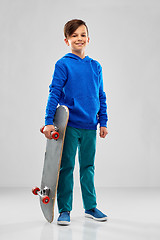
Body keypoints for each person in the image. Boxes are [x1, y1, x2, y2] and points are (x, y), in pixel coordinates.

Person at [43, 19, 108, 225]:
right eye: (74, 36)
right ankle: (65, 210)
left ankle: (90, 207)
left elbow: (101, 95)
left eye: (82, 35)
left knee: (88, 167)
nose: (79, 38)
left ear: (88, 38)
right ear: (66, 40)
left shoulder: (95, 66)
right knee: (67, 168)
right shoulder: (63, 64)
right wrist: (48, 121)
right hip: (69, 125)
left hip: (90, 126)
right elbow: (54, 93)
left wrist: (103, 122)